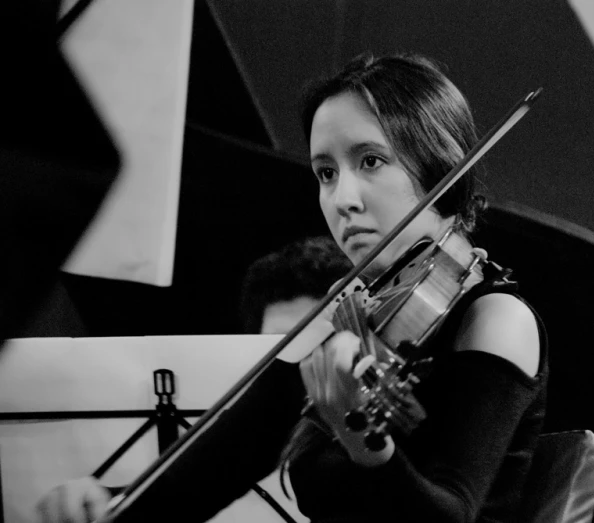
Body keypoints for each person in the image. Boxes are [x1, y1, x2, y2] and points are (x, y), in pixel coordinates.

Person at [36, 52, 548, 523]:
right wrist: (109, 502)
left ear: (442, 166)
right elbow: (217, 468)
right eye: (325, 172)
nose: (342, 198)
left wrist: (359, 436)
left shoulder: (497, 318)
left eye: (370, 160)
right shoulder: (353, 318)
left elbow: (449, 515)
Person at [34, 237, 351, 523]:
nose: (306, 368)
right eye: (279, 349)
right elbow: (198, 481)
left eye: (319, 345)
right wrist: (103, 503)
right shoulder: (261, 420)